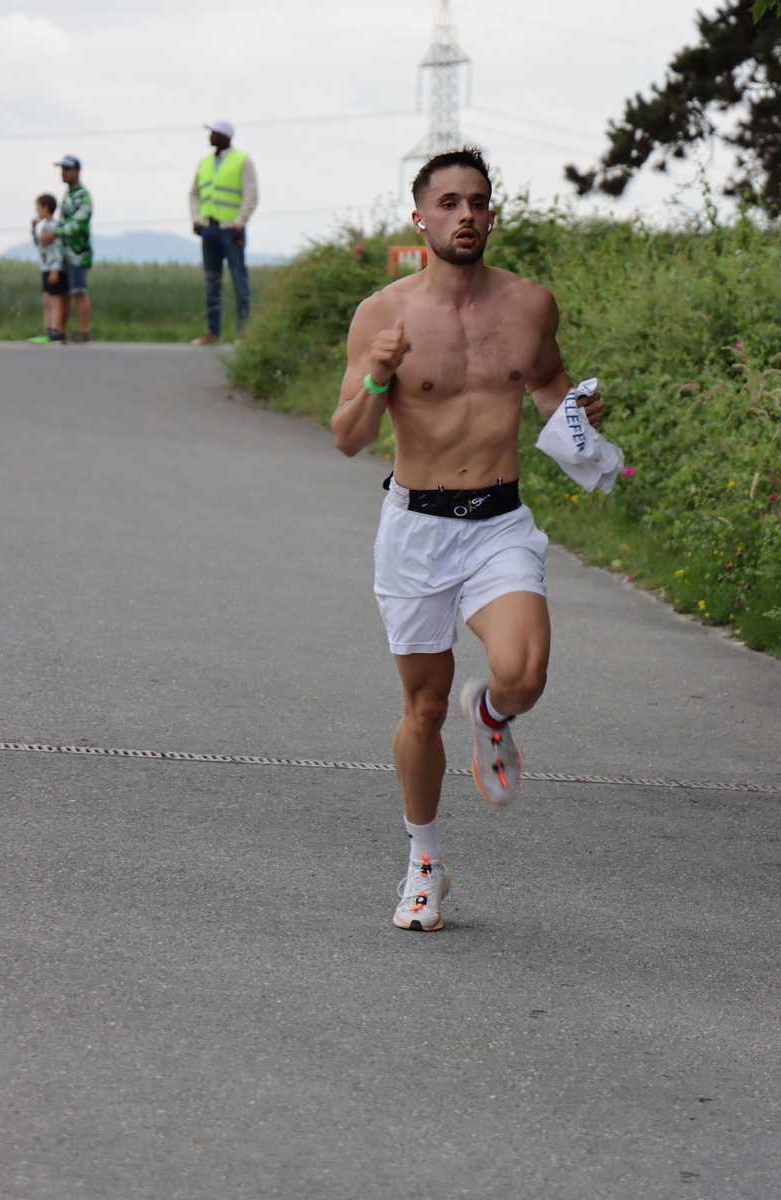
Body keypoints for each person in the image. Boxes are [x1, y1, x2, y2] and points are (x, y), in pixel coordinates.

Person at [331, 147, 604, 932]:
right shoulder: (382, 315)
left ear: (492, 214)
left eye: (478, 202)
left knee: (524, 673)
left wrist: (581, 421)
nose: (466, 215)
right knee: (422, 707)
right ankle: (424, 861)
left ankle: (490, 713)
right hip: (416, 529)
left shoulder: (529, 305)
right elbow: (348, 437)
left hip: (498, 523)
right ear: (419, 218)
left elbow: (547, 385)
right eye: (449, 203)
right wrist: (377, 376)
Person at [189, 120, 259, 346]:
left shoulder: (242, 160)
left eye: (214, 133)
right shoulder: (204, 163)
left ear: (225, 136)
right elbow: (193, 193)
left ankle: (243, 333)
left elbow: (251, 193)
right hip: (209, 229)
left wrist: (239, 222)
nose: (210, 136)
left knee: (239, 280)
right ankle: (213, 332)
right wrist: (196, 219)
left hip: (232, 230)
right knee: (211, 281)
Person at [41, 156, 93, 343]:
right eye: (62, 169)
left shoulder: (83, 196)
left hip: (78, 252)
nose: (63, 173)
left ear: (77, 171)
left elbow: (78, 223)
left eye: (67, 169)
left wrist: (55, 233)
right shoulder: (68, 195)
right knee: (64, 293)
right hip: (64, 252)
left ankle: (83, 331)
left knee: (79, 291)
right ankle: (60, 330)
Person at [28, 193, 68, 345]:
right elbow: (40, 244)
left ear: (46, 208)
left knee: (54, 299)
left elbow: (58, 249)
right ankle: (48, 329)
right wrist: (33, 230)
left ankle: (55, 331)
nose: (36, 210)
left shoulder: (54, 227)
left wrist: (55, 269)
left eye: (38, 207)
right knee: (46, 299)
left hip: (53, 268)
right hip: (46, 267)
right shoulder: (45, 227)